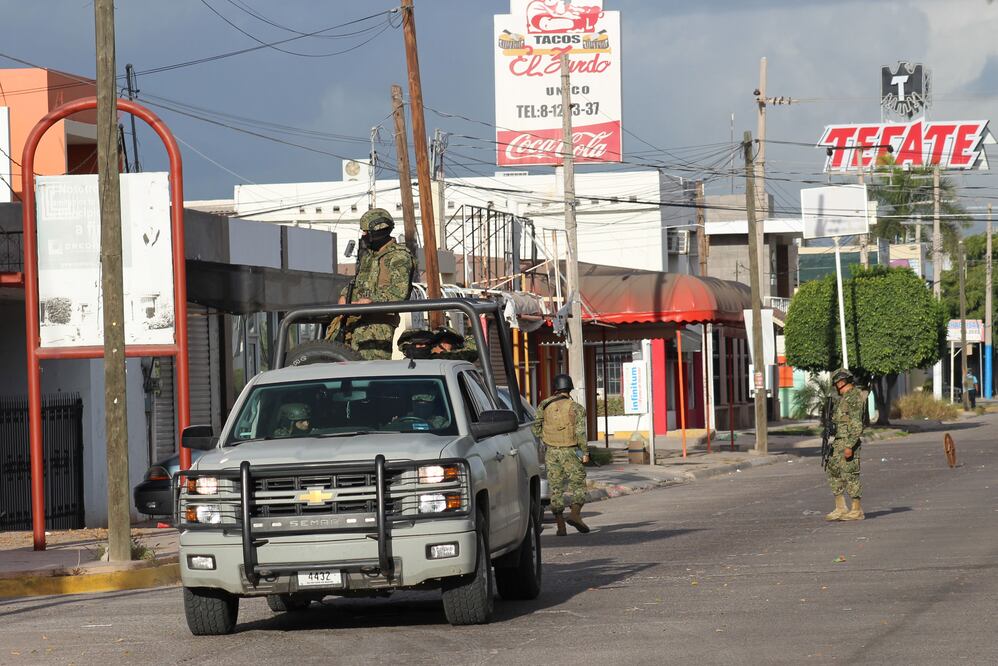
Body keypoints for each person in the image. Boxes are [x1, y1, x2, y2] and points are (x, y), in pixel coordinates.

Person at [325, 208, 415, 359]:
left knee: (369, 370)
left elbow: (399, 293)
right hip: (353, 321)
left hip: (376, 326)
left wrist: (370, 301)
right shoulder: (368, 257)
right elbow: (358, 283)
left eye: (366, 232)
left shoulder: (399, 256)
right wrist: (344, 296)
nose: (363, 236)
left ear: (378, 231)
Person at [532, 373, 590, 535]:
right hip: (571, 451)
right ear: (570, 388)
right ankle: (575, 515)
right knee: (578, 485)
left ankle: (561, 527)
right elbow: (580, 433)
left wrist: (547, 440)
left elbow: (535, 428)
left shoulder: (544, 405)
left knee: (556, 489)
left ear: (555, 388)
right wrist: (584, 452)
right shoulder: (576, 408)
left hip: (551, 452)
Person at [824, 368, 866, 521]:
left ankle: (856, 510)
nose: (835, 387)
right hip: (838, 441)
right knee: (833, 472)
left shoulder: (854, 397)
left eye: (836, 384)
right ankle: (840, 508)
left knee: (850, 475)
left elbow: (856, 424)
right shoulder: (844, 398)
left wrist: (849, 445)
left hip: (848, 441)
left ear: (841, 382)